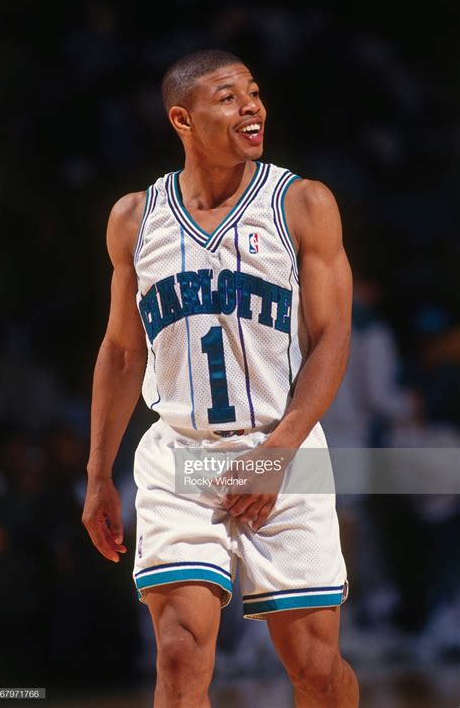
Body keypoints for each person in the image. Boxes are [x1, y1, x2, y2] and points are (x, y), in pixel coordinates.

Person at [82, 49, 359, 707]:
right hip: (178, 452)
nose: (252, 106)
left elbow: (333, 335)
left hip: (285, 444)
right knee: (179, 654)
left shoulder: (303, 203)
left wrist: (280, 450)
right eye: (230, 97)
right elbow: (123, 351)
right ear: (184, 118)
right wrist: (97, 473)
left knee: (315, 668)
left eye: (255, 93)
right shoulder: (134, 218)